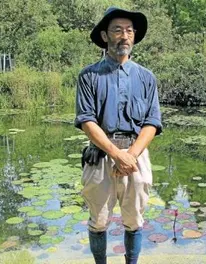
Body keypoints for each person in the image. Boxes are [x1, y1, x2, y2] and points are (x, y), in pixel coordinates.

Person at [74, 6, 162, 264]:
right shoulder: (89, 76)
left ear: (134, 36)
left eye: (129, 30)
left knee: (134, 219)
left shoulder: (146, 77)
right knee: (99, 221)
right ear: (104, 36)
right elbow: (86, 120)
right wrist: (116, 154)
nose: (124, 36)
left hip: (136, 155)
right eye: (117, 30)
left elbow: (152, 122)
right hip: (101, 155)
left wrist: (130, 156)